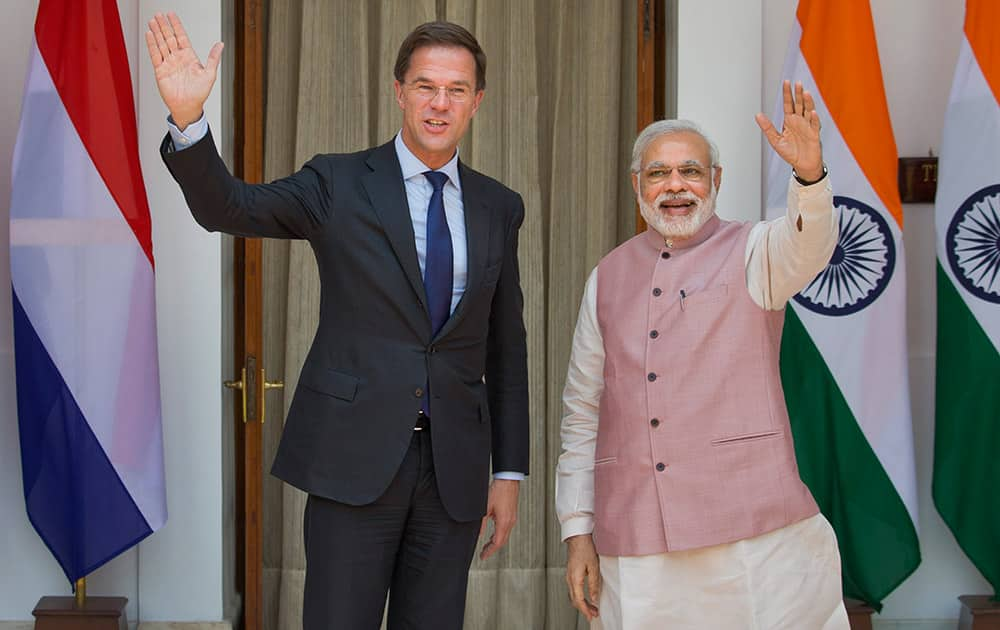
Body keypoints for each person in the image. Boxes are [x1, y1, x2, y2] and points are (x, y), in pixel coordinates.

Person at [145, 13, 529, 629]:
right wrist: (189, 122)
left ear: (477, 102)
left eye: (456, 90)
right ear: (398, 91)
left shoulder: (498, 206)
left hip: (454, 469)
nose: (439, 103)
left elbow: (507, 348)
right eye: (426, 85)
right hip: (354, 459)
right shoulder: (338, 181)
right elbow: (228, 206)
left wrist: (509, 471)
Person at [556, 81, 850, 629]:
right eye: (658, 173)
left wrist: (810, 177)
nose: (675, 186)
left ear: (715, 180)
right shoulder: (607, 276)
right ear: (636, 186)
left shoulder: (757, 249)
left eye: (690, 171)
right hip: (636, 536)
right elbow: (583, 410)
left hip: (749, 532)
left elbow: (809, 247)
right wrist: (578, 531)